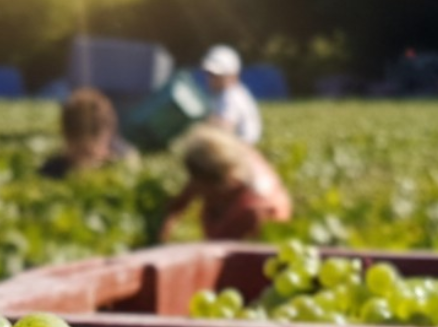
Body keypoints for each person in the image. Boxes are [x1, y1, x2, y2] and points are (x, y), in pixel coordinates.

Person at [159, 126, 292, 241]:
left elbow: (218, 255)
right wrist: (174, 211)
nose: (194, 186)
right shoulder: (231, 154)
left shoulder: (250, 211)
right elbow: (194, 182)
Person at [39, 88, 134, 179]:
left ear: (108, 136)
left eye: (89, 153)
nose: (84, 164)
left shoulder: (122, 167)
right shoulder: (51, 172)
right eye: (79, 152)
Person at [202, 45, 263, 145]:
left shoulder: (232, 96)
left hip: (241, 151)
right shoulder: (221, 94)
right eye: (209, 74)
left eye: (216, 75)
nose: (211, 79)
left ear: (232, 75)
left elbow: (225, 129)